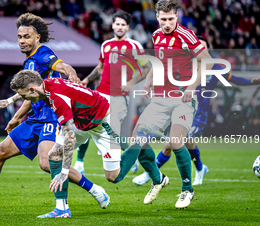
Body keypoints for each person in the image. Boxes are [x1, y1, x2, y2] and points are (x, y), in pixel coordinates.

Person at [0, 13, 109, 211]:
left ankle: (95, 190)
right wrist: (15, 116)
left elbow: (62, 66)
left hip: (51, 119)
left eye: (26, 37)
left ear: (37, 37)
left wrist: (71, 74)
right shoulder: (28, 61)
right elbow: (32, 95)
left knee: (47, 163)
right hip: (35, 118)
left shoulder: (43, 54)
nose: (22, 41)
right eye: (20, 37)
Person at [10, 70, 167, 218]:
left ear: (32, 89)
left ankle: (140, 140)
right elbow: (29, 93)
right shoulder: (45, 84)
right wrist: (9, 100)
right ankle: (62, 209)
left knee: (114, 177)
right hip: (81, 122)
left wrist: (64, 171)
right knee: (54, 155)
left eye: (24, 96)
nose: (24, 100)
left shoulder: (57, 98)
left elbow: (70, 136)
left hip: (103, 123)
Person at [133, 36, 260, 186]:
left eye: (204, 47)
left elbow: (234, 79)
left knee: (172, 143)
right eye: (197, 46)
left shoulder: (216, 68)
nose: (200, 49)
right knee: (189, 143)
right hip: (182, 109)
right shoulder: (186, 65)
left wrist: (251, 81)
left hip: (199, 115)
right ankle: (200, 169)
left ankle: (150, 173)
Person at [132, 0, 213, 209]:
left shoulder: (186, 35)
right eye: (163, 19)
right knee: (137, 141)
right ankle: (158, 179)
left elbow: (209, 61)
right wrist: (149, 82)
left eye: (170, 19)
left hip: (183, 99)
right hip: (160, 99)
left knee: (176, 140)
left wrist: (192, 86)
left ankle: (187, 189)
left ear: (177, 17)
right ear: (157, 17)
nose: (167, 23)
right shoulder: (156, 35)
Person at [76, 10, 151, 174]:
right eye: (117, 24)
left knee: (112, 134)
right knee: (86, 123)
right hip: (101, 92)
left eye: (123, 25)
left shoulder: (135, 46)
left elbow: (146, 68)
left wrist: (131, 82)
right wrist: (87, 80)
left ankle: (132, 155)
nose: (120, 27)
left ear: (127, 27)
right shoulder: (106, 45)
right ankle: (79, 162)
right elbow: (100, 68)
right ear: (112, 25)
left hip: (119, 95)